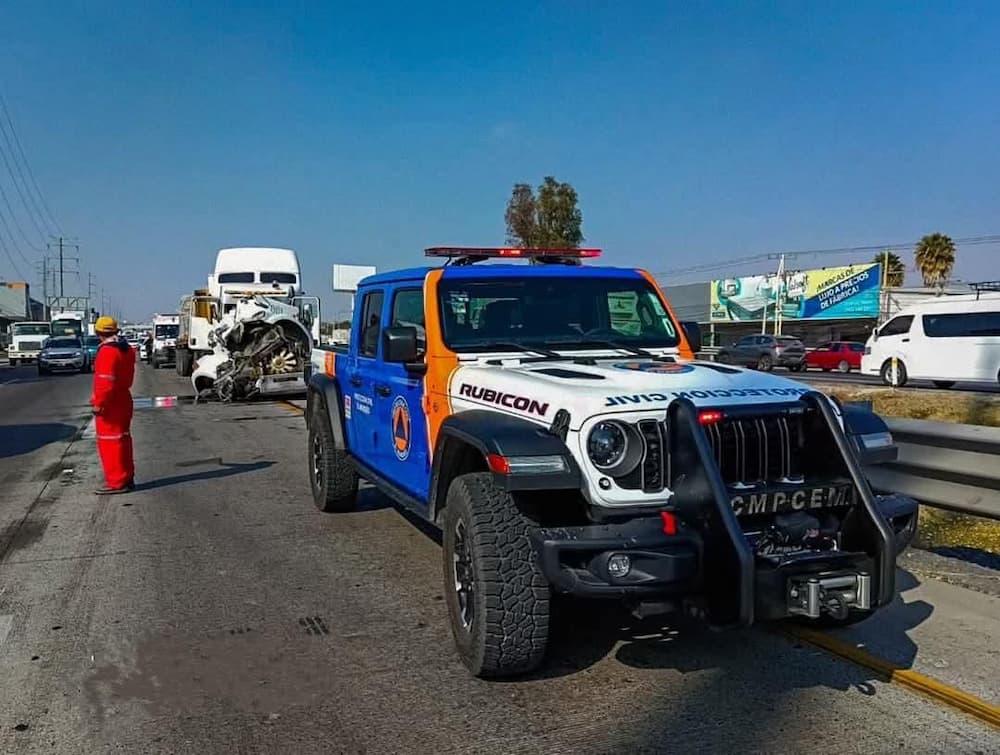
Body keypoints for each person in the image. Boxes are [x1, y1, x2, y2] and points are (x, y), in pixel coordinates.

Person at [90, 316, 137, 494]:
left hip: (111, 404)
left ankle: (117, 482)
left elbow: (105, 382)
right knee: (123, 440)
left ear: (98, 333)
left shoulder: (107, 351)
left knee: (110, 444)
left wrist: (99, 403)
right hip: (124, 398)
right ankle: (127, 477)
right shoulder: (127, 349)